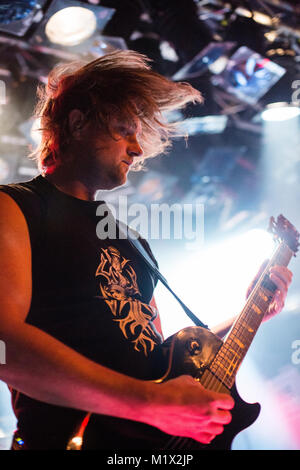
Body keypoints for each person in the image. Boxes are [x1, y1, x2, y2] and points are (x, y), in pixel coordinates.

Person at [0, 50, 292, 450]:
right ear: (77, 122)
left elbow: (157, 360)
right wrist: (150, 404)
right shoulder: (15, 207)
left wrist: (252, 310)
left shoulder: (134, 242)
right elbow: (4, 345)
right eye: (124, 130)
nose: (137, 149)